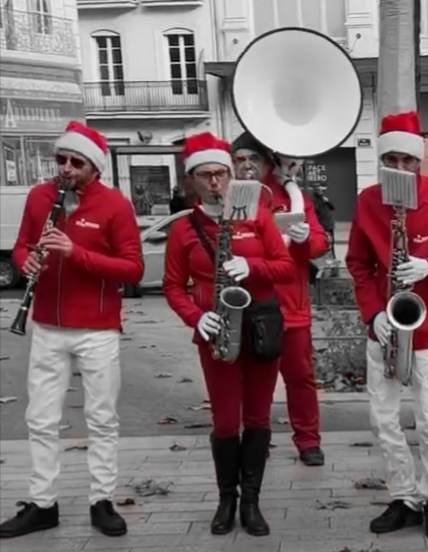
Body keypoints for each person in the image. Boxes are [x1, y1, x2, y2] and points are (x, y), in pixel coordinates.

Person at [0, 121, 143, 539]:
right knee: (40, 418)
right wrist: (27, 259)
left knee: (101, 418)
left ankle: (102, 500)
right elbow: (24, 243)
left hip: (97, 328)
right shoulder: (39, 196)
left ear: (94, 167)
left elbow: (132, 268)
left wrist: (76, 253)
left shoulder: (115, 205)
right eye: (60, 159)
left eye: (75, 162)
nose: (64, 167)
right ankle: (43, 503)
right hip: (46, 323)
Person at [345, 111, 428, 539]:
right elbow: (359, 264)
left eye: (408, 160)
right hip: (385, 326)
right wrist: (373, 314)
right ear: (381, 161)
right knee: (383, 418)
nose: (400, 169)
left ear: (420, 162)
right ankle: (402, 495)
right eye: (392, 160)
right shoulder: (367, 201)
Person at [162, 132, 295, 537]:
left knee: (257, 416)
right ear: (193, 181)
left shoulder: (257, 217)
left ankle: (251, 501)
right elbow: (172, 286)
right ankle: (226, 499)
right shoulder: (185, 229)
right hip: (216, 329)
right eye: (206, 176)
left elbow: (286, 267)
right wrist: (194, 317)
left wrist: (251, 269)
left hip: (260, 326)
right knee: (224, 421)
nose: (217, 182)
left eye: (222, 173)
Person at [232, 132, 330, 467]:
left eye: (253, 159)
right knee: (253, 376)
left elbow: (319, 244)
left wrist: (304, 239)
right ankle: (256, 436)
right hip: (251, 302)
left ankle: (308, 440)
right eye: (240, 159)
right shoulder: (233, 196)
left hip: (291, 305)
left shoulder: (294, 195)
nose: (246, 166)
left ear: (267, 162)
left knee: (300, 376)